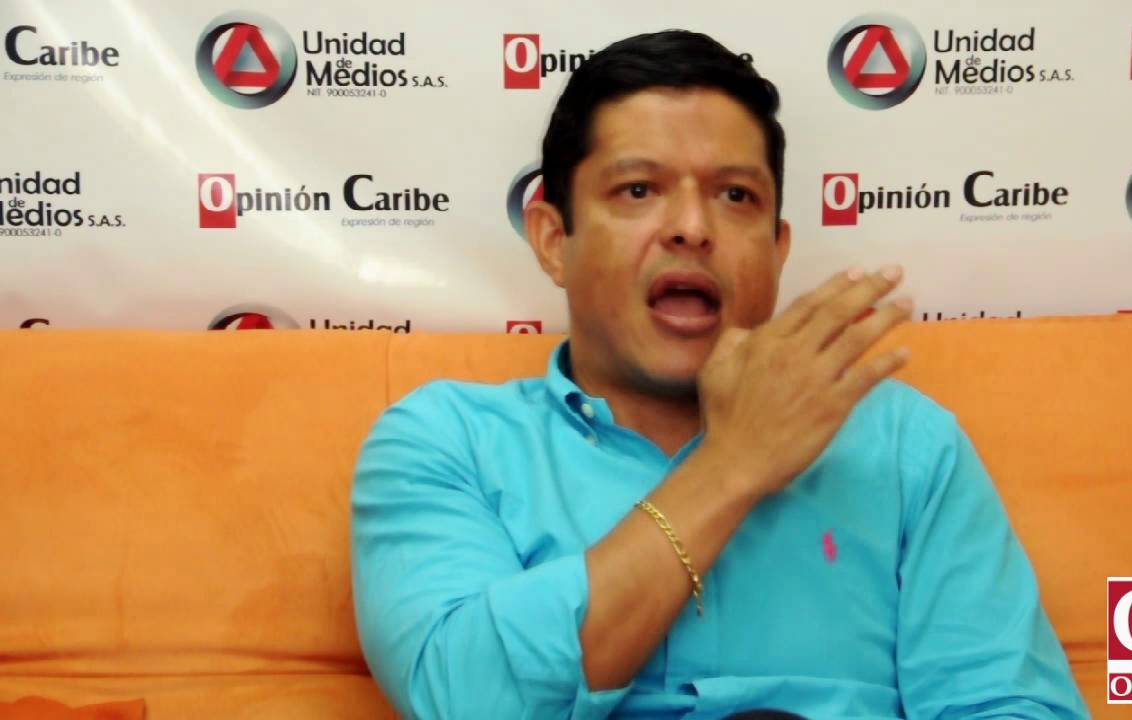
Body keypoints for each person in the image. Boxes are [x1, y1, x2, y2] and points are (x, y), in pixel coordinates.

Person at [351, 30, 1087, 720]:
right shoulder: (444, 441)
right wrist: (732, 467)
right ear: (552, 240)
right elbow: (461, 698)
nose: (693, 228)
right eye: (638, 190)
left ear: (777, 248)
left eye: (735, 196)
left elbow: (1011, 705)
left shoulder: (904, 445)